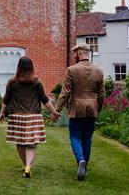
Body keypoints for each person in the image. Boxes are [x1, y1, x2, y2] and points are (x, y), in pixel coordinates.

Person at [0, 56, 60, 178]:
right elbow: (45, 100)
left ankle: (25, 166)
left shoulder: (12, 82)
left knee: (20, 142)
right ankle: (28, 166)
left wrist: (1, 112)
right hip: (33, 117)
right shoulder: (36, 82)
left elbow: (6, 99)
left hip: (17, 117)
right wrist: (54, 111)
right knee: (32, 143)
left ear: (19, 67)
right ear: (32, 67)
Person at [55, 43, 104, 181]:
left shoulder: (71, 70)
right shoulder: (98, 71)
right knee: (87, 138)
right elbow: (101, 94)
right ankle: (84, 166)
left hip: (77, 109)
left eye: (74, 54)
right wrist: (98, 108)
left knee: (75, 136)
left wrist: (56, 110)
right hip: (91, 108)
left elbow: (65, 93)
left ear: (78, 53)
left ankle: (80, 160)